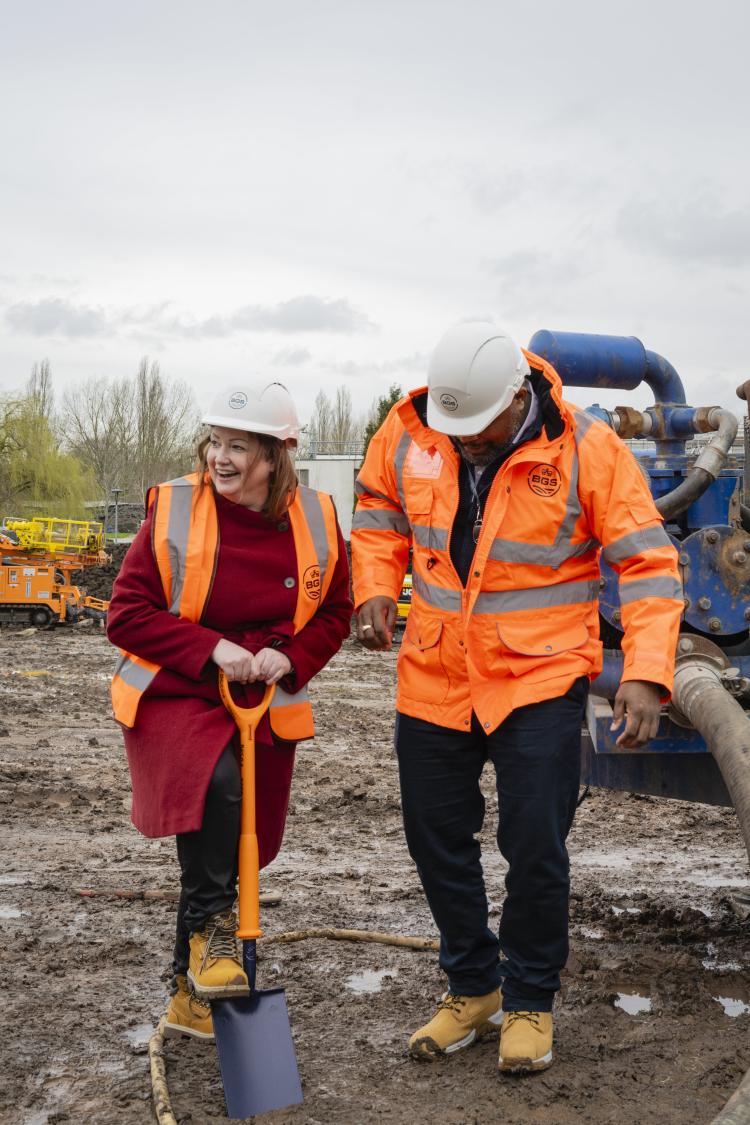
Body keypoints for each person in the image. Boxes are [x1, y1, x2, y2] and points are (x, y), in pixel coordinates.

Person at [350, 323, 682, 1073]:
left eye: (479, 428)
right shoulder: (412, 430)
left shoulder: (588, 449)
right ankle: (473, 986)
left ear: (518, 397)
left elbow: (650, 563)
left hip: (538, 677)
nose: (463, 441)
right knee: (435, 838)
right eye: (453, 426)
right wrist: (372, 585)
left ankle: (529, 997)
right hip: (437, 673)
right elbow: (376, 511)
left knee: (534, 844)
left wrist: (645, 670)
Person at [107, 380, 352, 1041]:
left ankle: (191, 997)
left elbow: (335, 611)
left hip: (260, 691)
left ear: (276, 456)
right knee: (215, 787)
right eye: (215, 441)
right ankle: (213, 940)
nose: (219, 457)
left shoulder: (318, 518)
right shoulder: (175, 510)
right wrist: (211, 647)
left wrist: (293, 658)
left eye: (238, 446)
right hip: (178, 686)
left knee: (236, 838)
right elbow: (125, 615)